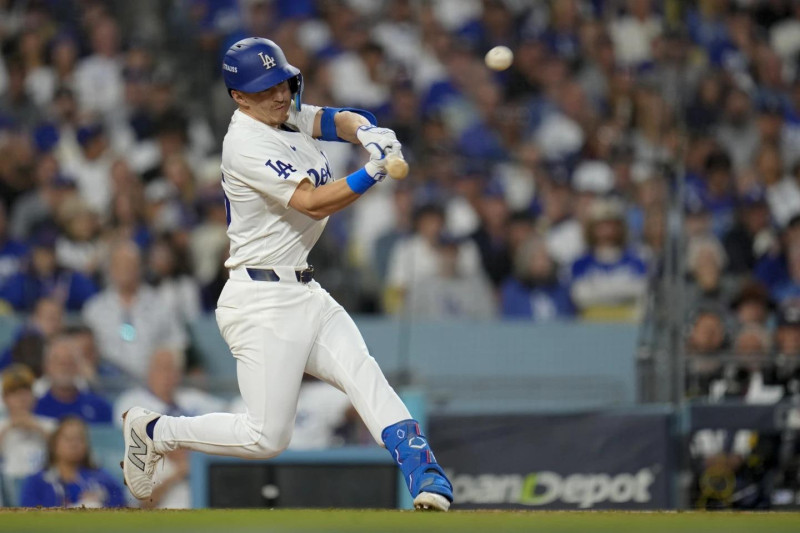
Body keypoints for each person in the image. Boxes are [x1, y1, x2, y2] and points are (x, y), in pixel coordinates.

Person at [121, 38, 452, 511]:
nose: (279, 95)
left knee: (365, 376)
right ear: (239, 97)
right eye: (265, 89)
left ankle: (426, 476)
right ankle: (155, 430)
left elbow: (335, 119)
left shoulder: (282, 112)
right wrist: (371, 172)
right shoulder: (245, 142)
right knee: (266, 438)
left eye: (282, 82)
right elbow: (312, 202)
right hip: (260, 300)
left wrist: (368, 133)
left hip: (304, 289)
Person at [19, 416, 124, 508]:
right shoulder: (37, 482)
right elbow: (27, 514)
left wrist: (100, 502)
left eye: (79, 439)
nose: (74, 444)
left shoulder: (103, 479)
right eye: (68, 439)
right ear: (54, 444)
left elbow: (122, 507)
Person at [0, 365, 56, 499]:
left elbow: (63, 456)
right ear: (5, 399)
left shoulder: (50, 425)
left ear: (34, 397)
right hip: (6, 486)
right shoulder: (1, 427)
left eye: (26, 392)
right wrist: (8, 429)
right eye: (15, 393)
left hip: (42, 485)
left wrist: (38, 428)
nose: (21, 399)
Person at [34, 335, 113, 424]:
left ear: (79, 367)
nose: (64, 367)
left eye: (70, 361)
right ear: (46, 366)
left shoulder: (100, 407)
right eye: (58, 362)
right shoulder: (33, 407)